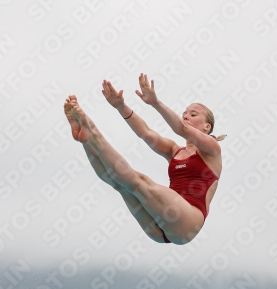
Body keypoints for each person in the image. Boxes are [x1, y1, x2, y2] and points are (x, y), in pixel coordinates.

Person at [64, 73, 225, 245]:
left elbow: (182, 130)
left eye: (193, 114)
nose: (185, 116)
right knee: (120, 184)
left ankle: (92, 132)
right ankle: (86, 140)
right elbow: (145, 132)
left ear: (207, 127)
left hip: (187, 222)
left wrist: (156, 103)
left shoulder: (212, 150)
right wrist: (121, 106)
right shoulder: (174, 150)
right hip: (159, 227)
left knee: (140, 181)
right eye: (184, 113)